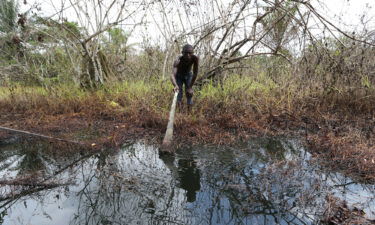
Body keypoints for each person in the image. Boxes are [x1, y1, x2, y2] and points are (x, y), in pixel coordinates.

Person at [171, 44, 199, 110]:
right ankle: (180, 114)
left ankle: (189, 115)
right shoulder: (178, 59)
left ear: (193, 53)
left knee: (189, 94)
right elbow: (172, 75)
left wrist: (190, 87)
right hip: (179, 76)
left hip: (189, 75)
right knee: (178, 94)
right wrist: (175, 85)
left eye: (190, 53)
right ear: (182, 53)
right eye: (186, 53)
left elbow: (195, 73)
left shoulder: (195, 58)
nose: (188, 55)